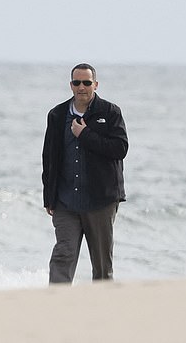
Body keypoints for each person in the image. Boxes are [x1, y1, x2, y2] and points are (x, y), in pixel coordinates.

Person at [42, 63, 128, 283]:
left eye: (87, 83)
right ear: (71, 85)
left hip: (100, 200)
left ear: (96, 85)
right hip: (65, 201)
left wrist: (85, 134)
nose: (82, 87)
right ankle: (55, 303)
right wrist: (49, 197)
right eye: (77, 82)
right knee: (63, 254)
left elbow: (120, 149)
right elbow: (48, 157)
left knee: (101, 264)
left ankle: (102, 306)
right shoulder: (57, 114)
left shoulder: (110, 112)